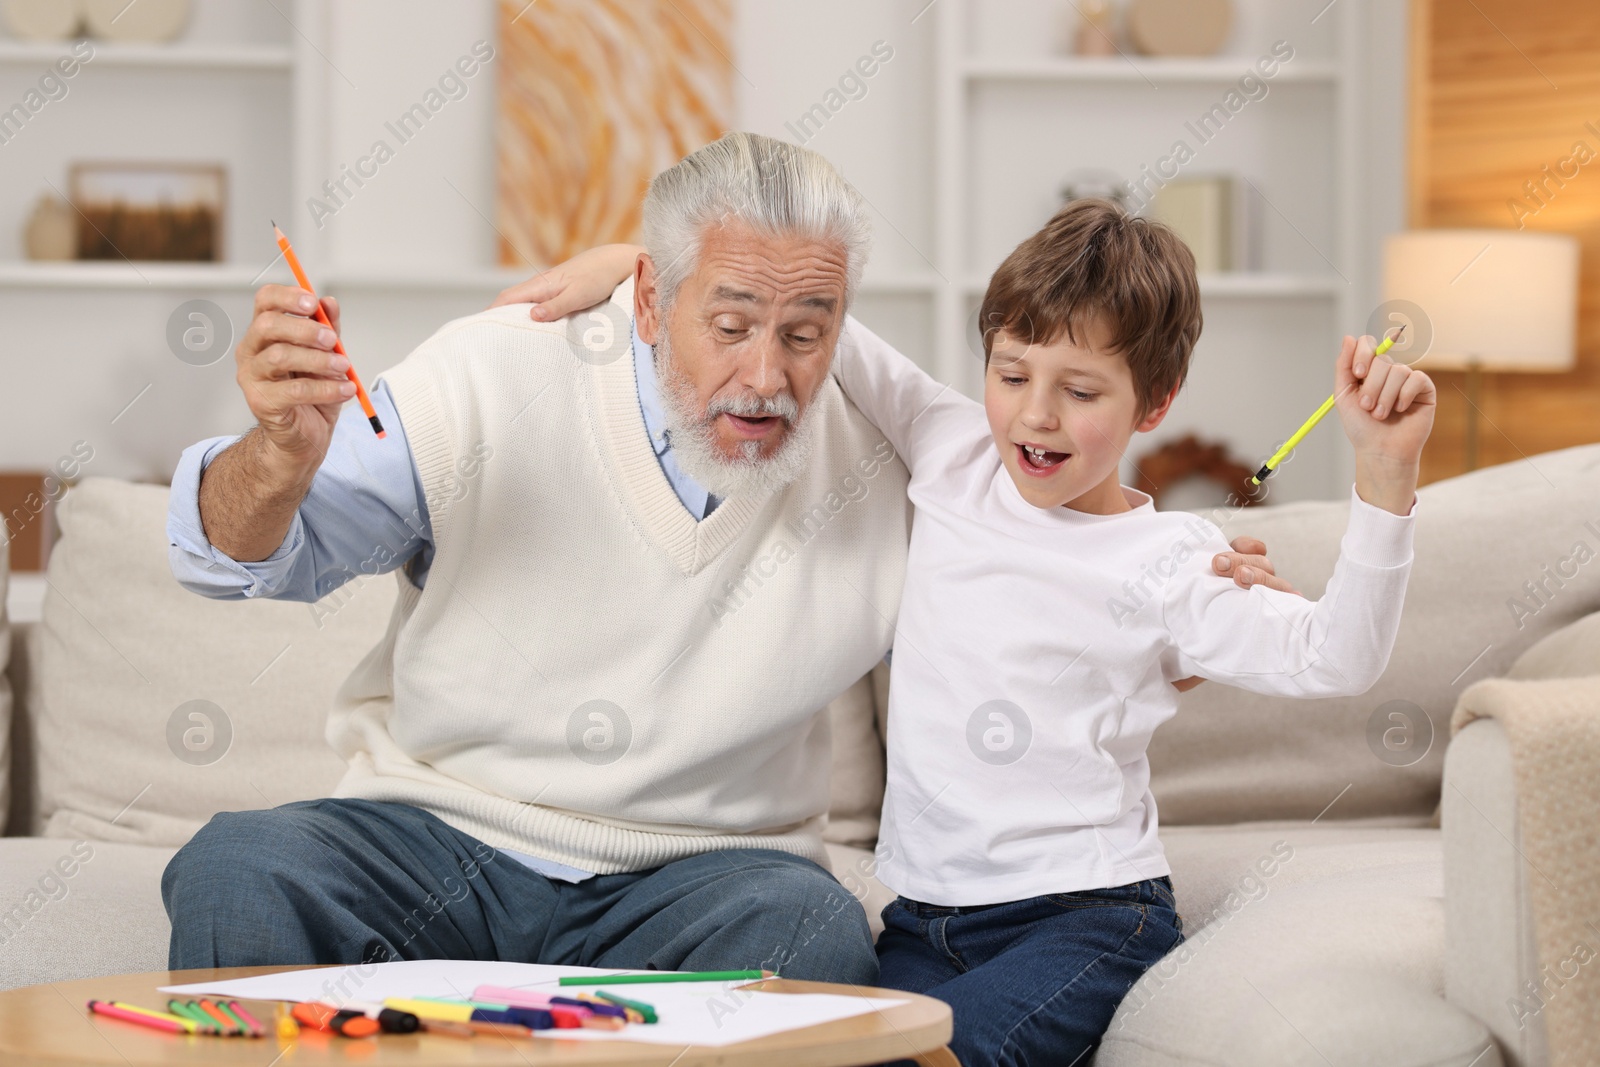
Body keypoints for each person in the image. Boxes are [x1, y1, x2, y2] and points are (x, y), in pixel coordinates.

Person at [162, 132, 1293, 987]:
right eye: (731, 320)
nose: (767, 374)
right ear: (649, 297)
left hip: (706, 872)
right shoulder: (493, 374)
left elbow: (1057, 542)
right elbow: (241, 558)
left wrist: (1180, 583)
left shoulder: (909, 468)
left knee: (811, 933)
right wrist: (275, 454)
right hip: (434, 832)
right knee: (242, 866)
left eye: (807, 331)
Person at [534, 196, 1435, 1065]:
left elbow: (1338, 656)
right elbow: (820, 327)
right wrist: (631, 267)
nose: (1035, 414)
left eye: (1080, 390)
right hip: (923, 920)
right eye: (1011, 374)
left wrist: (1385, 477)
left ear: (1152, 404)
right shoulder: (951, 444)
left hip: (1087, 917)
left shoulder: (1178, 560)